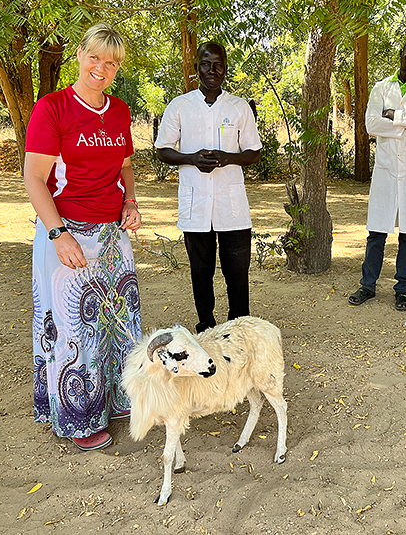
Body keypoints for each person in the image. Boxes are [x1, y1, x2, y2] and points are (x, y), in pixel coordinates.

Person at [24, 23, 142, 450]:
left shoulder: (120, 111)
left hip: (112, 232)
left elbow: (125, 164)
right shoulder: (52, 108)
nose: (102, 67)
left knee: (118, 319)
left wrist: (130, 202)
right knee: (76, 327)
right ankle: (79, 416)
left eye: (111, 62)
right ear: (79, 54)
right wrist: (58, 234)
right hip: (66, 230)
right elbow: (34, 178)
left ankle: (115, 395)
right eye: (95, 57)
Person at [155, 42, 261, 334]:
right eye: (205, 64)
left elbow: (254, 152)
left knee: (237, 272)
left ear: (225, 68)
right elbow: (163, 149)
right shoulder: (180, 106)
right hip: (196, 203)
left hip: (232, 205)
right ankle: (206, 326)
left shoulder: (239, 107)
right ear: (196, 68)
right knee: (201, 272)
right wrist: (190, 158)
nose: (212, 71)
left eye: (218, 64)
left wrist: (229, 158)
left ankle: (240, 328)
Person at [348, 35, 406, 311]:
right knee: (377, 231)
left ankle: (402, 288)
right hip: (387, 170)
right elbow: (370, 124)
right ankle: (368, 285)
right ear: (401, 52)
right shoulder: (381, 87)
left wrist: (395, 116)